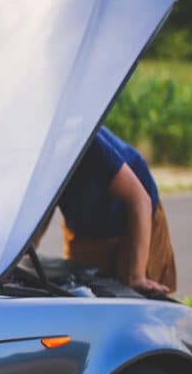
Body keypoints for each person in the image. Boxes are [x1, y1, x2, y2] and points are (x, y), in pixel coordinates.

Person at [37, 126, 177, 295]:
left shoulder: (83, 141)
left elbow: (139, 199)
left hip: (136, 217)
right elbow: (41, 208)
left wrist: (137, 276)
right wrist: (24, 254)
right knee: (84, 296)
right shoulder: (29, 155)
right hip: (85, 225)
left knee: (139, 298)